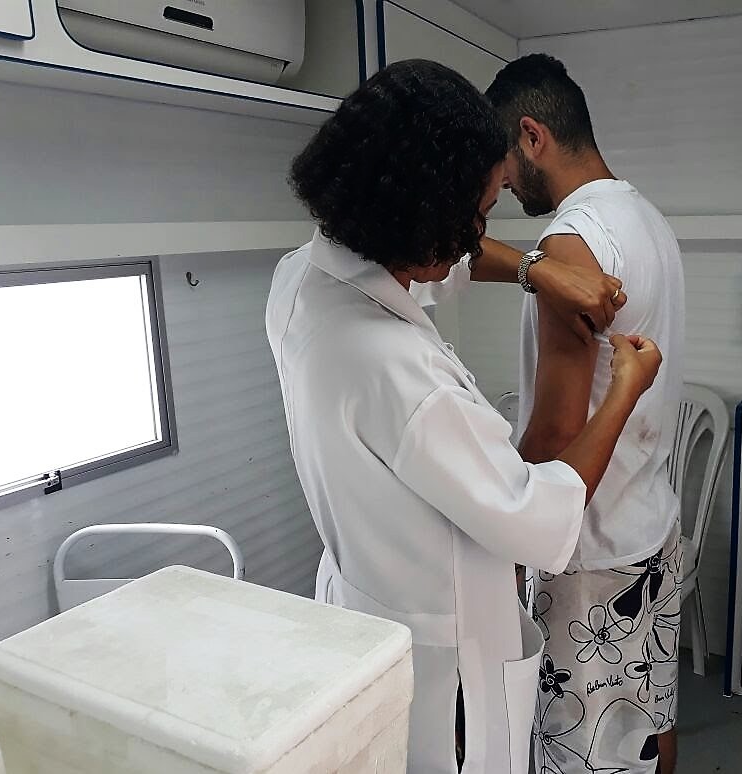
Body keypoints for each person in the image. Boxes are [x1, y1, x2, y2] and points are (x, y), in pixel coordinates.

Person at [265, 59, 663, 774]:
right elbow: (538, 511)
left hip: (366, 597)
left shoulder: (302, 278)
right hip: (442, 645)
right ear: (421, 219)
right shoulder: (399, 370)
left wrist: (536, 269)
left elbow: (449, 266)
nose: (480, 236)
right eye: (476, 216)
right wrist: (624, 391)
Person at [483, 54, 686, 774]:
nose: (504, 185)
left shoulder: (572, 241)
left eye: (504, 162)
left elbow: (556, 431)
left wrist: (504, 532)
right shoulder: (645, 218)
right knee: (648, 723)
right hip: (650, 526)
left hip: (588, 556)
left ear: (531, 136)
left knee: (583, 750)